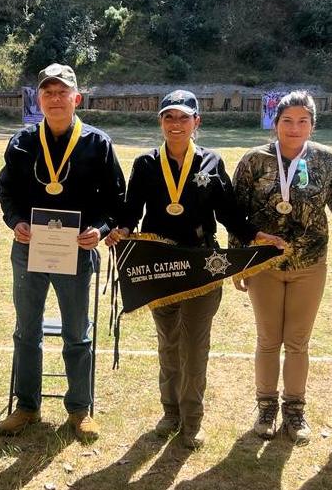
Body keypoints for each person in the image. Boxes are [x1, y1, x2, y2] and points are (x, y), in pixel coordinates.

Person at [105, 89, 283, 449]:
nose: (176, 124)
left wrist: (253, 234)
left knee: (195, 346)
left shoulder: (212, 162)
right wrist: (121, 229)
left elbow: (229, 213)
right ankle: (170, 412)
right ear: (161, 122)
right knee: (168, 343)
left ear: (196, 122)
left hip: (202, 266)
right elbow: (130, 211)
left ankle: (192, 420)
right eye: (169, 117)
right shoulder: (145, 164)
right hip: (160, 268)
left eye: (184, 117)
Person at [0, 63, 125, 440]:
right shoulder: (22, 142)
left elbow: (116, 199)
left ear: (76, 98)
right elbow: (7, 191)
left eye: (62, 92)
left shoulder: (97, 143)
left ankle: (79, 409)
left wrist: (99, 231)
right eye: (48, 92)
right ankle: (26, 407)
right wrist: (16, 221)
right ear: (39, 99)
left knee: (76, 333)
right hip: (30, 251)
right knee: (26, 331)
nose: (55, 98)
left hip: (76, 253)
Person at [230, 90, 332, 444]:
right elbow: (234, 215)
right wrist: (237, 263)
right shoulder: (253, 161)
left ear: (312, 125)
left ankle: (295, 409)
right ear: (276, 123)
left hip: (310, 263)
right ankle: (266, 407)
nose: (294, 127)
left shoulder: (325, 160)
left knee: (298, 343)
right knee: (268, 340)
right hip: (264, 265)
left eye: (302, 121)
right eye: (287, 120)